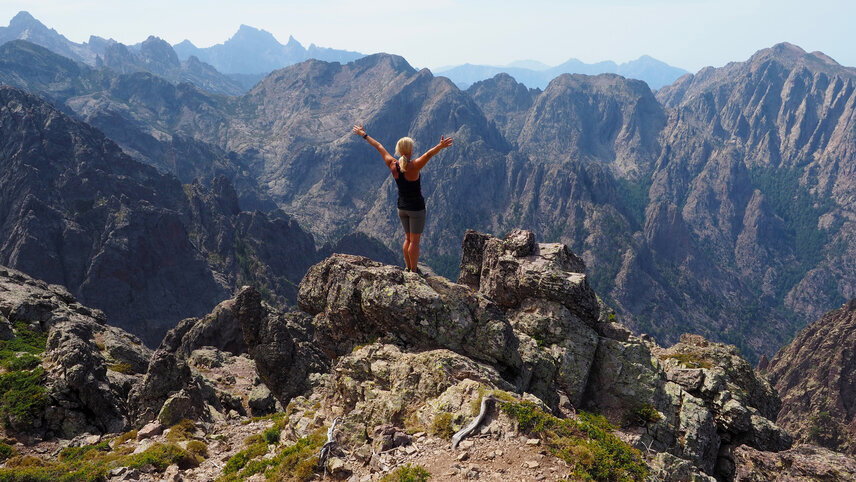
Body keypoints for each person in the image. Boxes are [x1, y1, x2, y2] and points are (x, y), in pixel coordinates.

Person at [352, 124, 453, 274]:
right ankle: (413, 271)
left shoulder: (392, 163)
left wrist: (363, 135)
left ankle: (408, 267)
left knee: (407, 239)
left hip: (402, 207)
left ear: (399, 150)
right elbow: (428, 155)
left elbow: (378, 146)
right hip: (416, 209)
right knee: (415, 242)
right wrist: (440, 146)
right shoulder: (414, 166)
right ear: (410, 150)